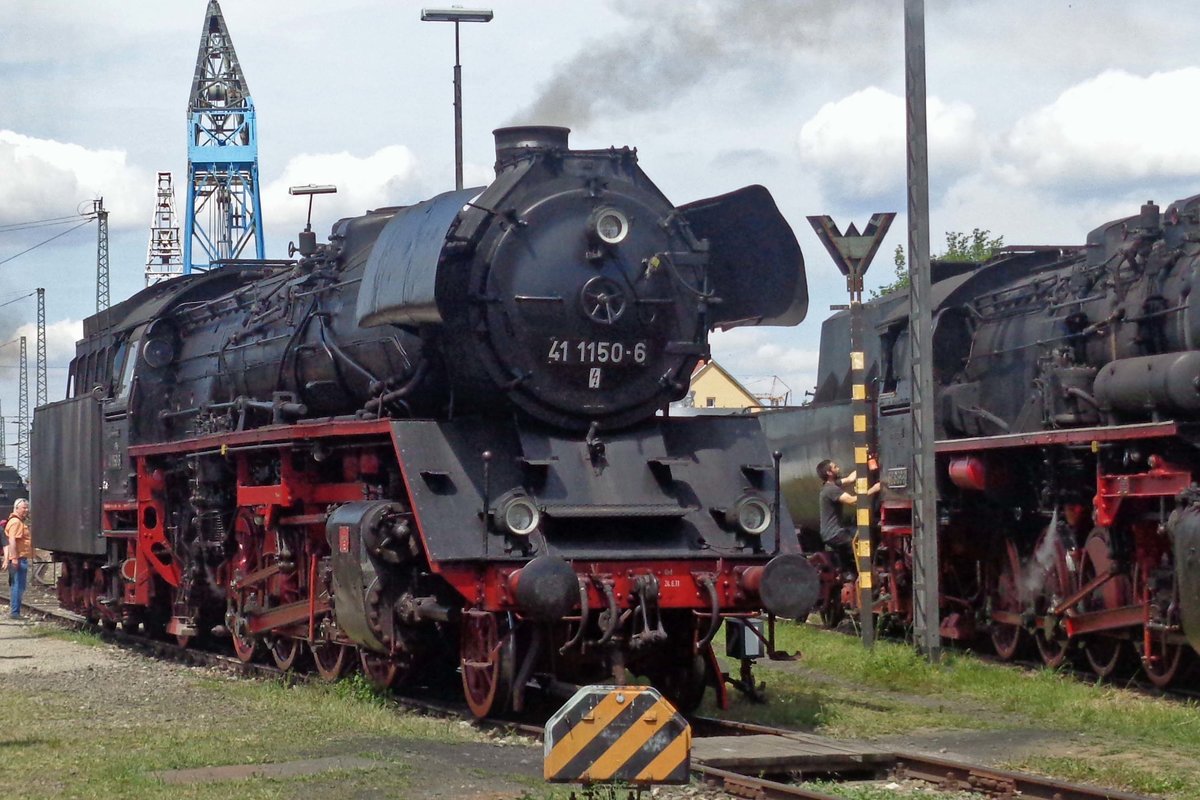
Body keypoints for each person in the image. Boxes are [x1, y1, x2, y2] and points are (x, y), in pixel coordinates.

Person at [816, 459, 880, 574]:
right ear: (829, 473)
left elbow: (851, 478)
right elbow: (852, 500)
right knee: (857, 547)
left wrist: (864, 462)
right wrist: (874, 489)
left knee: (852, 543)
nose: (838, 468)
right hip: (834, 533)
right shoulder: (831, 490)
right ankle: (865, 575)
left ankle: (848, 573)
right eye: (835, 467)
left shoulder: (832, 485)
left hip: (830, 533)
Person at [5, 498, 31, 619]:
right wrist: (14, 558)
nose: (26, 510)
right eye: (24, 508)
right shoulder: (16, 522)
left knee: (19, 585)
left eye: (27, 507)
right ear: (16, 508)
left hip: (20, 558)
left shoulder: (18, 521)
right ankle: (15, 612)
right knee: (18, 586)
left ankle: (16, 611)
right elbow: (12, 540)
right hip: (18, 559)